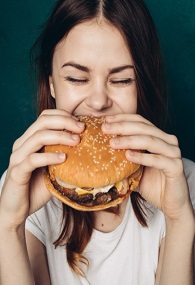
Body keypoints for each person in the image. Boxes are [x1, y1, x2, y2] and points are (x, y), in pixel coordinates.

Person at [0, 0, 194, 284]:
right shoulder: (21, 186)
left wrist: (180, 221)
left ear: (143, 84)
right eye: (77, 78)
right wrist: (8, 226)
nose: (99, 101)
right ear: (51, 82)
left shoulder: (184, 181)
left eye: (122, 80)